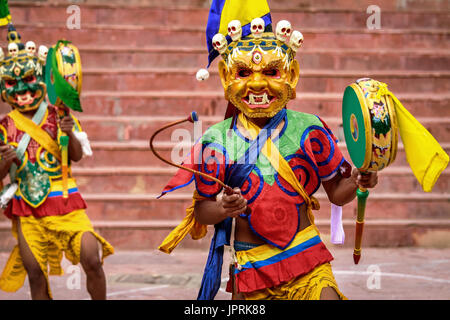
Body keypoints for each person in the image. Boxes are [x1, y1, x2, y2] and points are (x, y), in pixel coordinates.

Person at [157, 2, 377, 300]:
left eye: (272, 71)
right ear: (225, 77)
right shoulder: (217, 141)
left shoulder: (310, 128)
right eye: (244, 72)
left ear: (292, 74)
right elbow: (202, 209)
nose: (257, 83)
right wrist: (223, 208)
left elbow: (337, 192)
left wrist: (357, 180)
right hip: (252, 264)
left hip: (305, 254)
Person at [0, 24, 114, 300]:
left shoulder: (58, 114)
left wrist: (68, 133)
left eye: (28, 79)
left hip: (67, 204)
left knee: (93, 261)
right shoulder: (4, 126)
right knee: (35, 275)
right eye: (12, 84)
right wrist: (5, 163)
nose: (22, 90)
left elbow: (75, 156)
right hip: (28, 210)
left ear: (40, 79)